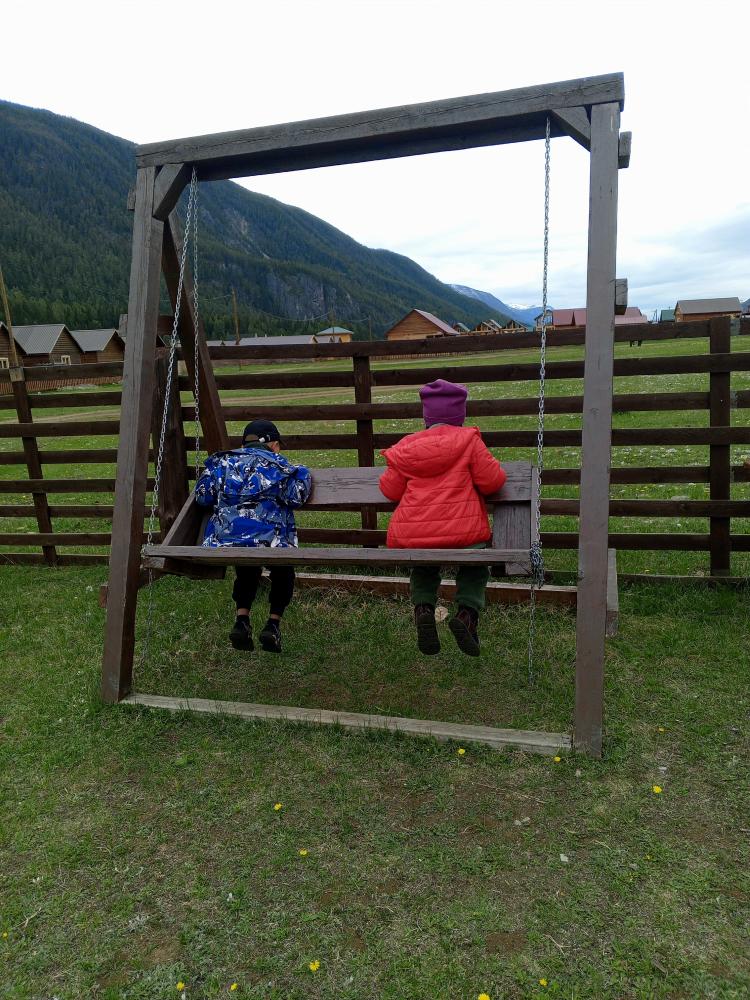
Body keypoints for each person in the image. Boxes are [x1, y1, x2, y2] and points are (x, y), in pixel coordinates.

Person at [379, 380, 506, 657]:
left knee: (423, 566)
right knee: (475, 567)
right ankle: (467, 615)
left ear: (426, 416)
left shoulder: (408, 446)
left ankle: (423, 608)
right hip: (465, 533)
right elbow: (493, 481)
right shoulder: (469, 441)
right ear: (460, 415)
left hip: (416, 537)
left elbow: (390, 490)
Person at [194, 418, 312, 654]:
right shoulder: (279, 465)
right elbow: (296, 497)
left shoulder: (221, 463)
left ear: (243, 444)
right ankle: (273, 624)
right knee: (283, 570)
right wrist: (303, 473)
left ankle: (242, 620)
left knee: (246, 566)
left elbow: (203, 497)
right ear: (274, 445)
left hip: (225, 543)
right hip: (271, 542)